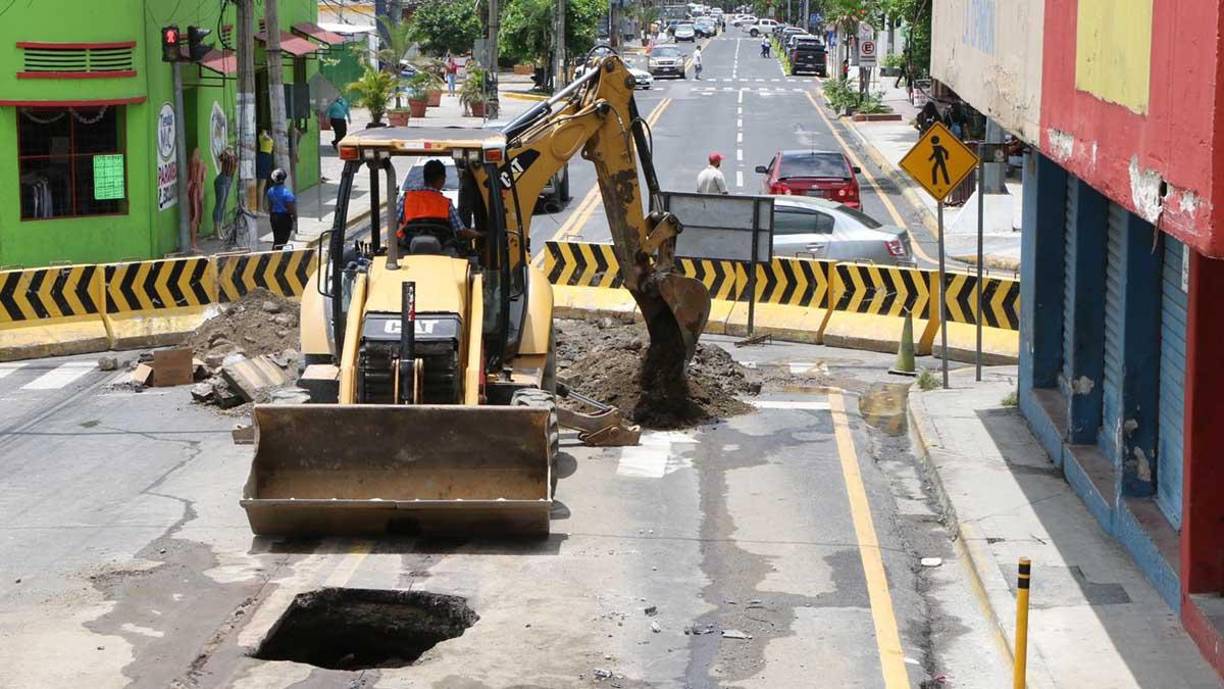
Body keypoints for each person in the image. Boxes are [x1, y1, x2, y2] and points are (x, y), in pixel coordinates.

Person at [397, 159, 484, 250]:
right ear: (441, 179)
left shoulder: (406, 198)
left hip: (408, 248)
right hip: (442, 250)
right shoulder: (446, 204)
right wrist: (479, 234)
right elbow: (461, 232)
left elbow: (393, 222)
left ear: (425, 177)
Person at [265, 168, 296, 249]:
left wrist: (272, 217)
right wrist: (294, 217)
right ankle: (277, 257)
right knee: (283, 240)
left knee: (277, 239)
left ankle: (274, 256)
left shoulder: (270, 191)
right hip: (284, 218)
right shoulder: (287, 194)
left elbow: (270, 206)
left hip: (274, 217)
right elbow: (291, 208)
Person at [213, 147, 238, 239]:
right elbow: (221, 158)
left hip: (228, 179)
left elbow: (234, 168)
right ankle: (217, 229)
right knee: (219, 205)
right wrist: (226, 151)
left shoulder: (235, 156)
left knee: (222, 206)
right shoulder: (226, 155)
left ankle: (219, 228)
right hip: (222, 179)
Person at [256, 129, 274, 211]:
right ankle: (260, 207)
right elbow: (265, 136)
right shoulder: (262, 136)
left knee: (265, 184)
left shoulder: (266, 137)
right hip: (264, 157)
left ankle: (263, 205)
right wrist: (265, 133)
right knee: (261, 184)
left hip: (267, 158)